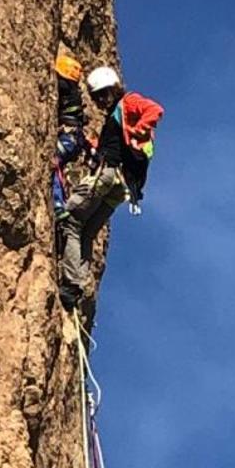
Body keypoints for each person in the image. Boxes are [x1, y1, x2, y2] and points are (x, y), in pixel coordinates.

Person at [59, 66, 164, 310]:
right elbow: (111, 143)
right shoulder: (116, 117)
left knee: (71, 221)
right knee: (86, 232)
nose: (98, 103)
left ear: (109, 90)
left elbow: (155, 110)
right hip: (121, 188)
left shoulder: (128, 103)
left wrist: (140, 129)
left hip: (109, 175)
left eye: (99, 97)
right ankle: (74, 289)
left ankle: (71, 284)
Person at [52, 54, 88, 220]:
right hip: (75, 139)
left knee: (55, 163)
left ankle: (58, 205)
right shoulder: (75, 91)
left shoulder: (64, 86)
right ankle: (61, 201)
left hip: (69, 137)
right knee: (59, 165)